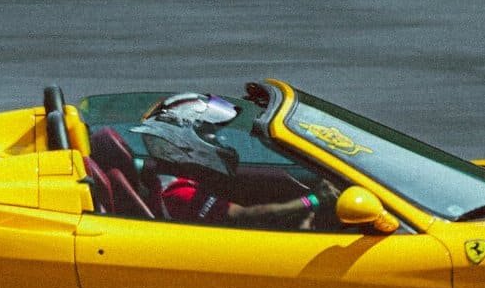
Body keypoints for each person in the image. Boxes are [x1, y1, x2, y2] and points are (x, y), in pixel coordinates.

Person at [131, 92, 339, 229]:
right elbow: (244, 215)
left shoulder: (172, 179)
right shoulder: (179, 193)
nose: (220, 140)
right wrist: (312, 201)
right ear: (180, 140)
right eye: (211, 133)